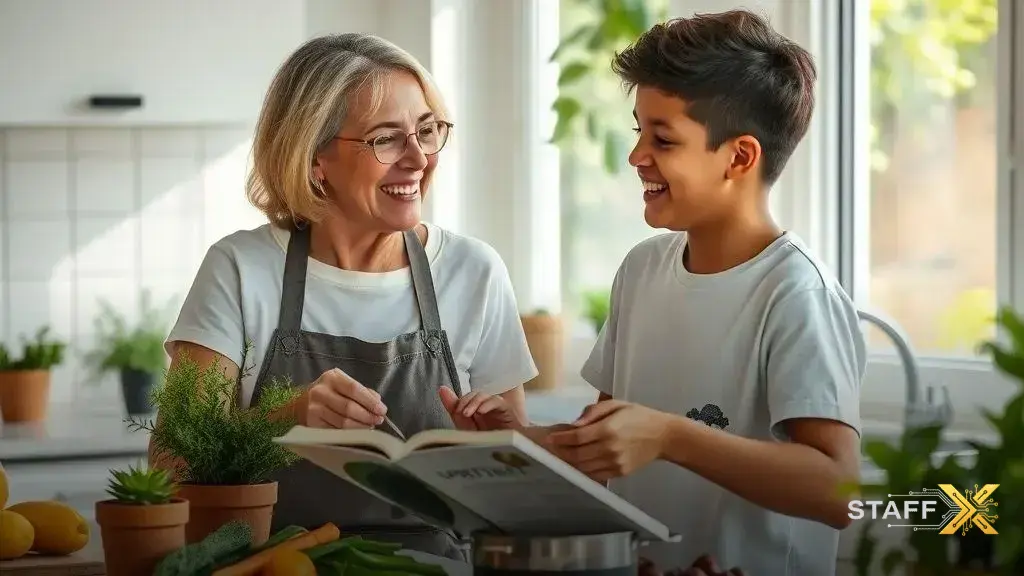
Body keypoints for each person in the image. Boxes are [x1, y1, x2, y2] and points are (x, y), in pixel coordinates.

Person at [153, 33, 538, 561]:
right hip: (275, 566)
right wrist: (286, 415)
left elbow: (515, 496)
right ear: (315, 159)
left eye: (426, 131)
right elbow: (170, 465)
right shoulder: (240, 269)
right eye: (386, 139)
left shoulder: (474, 271)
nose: (418, 158)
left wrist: (502, 445)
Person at [542, 10, 866, 576]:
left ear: (739, 157)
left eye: (662, 138)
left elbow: (837, 492)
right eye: (638, 130)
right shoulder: (641, 270)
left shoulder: (795, 293)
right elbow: (606, 443)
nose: (636, 156)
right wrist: (508, 442)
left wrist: (671, 435)